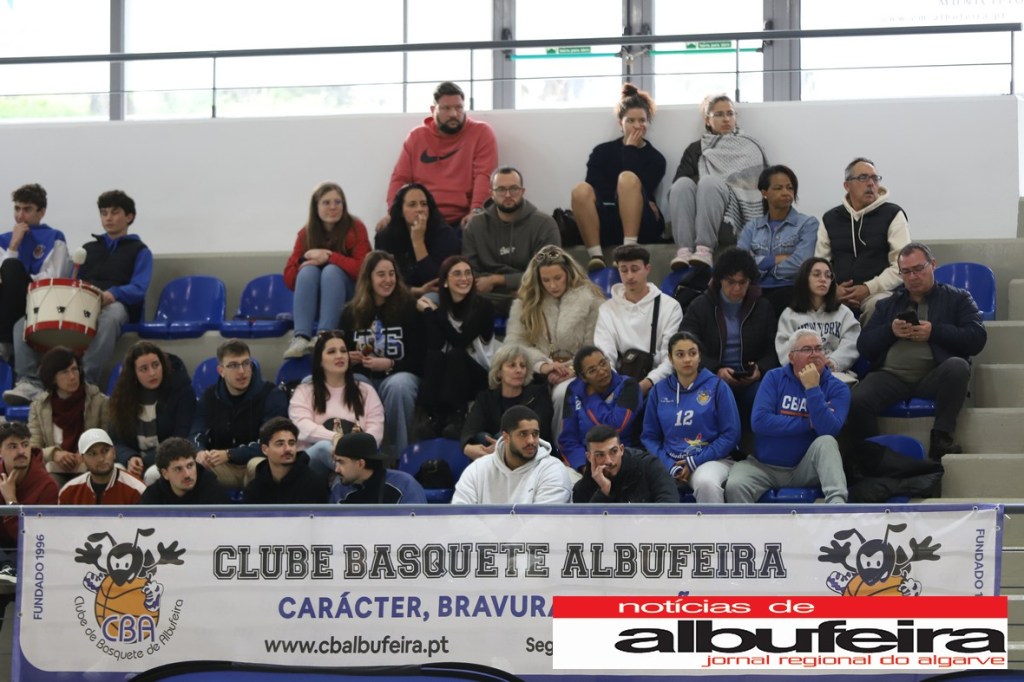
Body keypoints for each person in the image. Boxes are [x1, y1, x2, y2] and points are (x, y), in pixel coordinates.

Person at [6, 190, 152, 401]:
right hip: (84, 302)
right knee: (24, 322)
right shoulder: (88, 249)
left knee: (110, 318)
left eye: (114, 212)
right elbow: (73, 281)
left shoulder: (140, 251)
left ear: (129, 217)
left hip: (118, 304)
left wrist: (113, 294)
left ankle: (86, 382)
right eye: (104, 213)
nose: (108, 218)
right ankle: (29, 382)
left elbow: (139, 287)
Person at [849, 242, 987, 460]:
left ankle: (941, 437)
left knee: (958, 367)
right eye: (906, 272)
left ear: (933, 265)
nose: (912, 277)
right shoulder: (887, 304)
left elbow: (977, 339)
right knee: (856, 399)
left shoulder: (958, 298)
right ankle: (873, 454)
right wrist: (890, 331)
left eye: (918, 269)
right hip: (890, 376)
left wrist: (934, 332)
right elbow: (864, 346)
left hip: (933, 376)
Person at [724, 330, 850, 504]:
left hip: (806, 468)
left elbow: (828, 429)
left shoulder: (838, 388)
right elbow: (760, 422)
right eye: (807, 349)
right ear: (791, 357)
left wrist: (813, 388)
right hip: (764, 467)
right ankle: (748, 523)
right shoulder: (774, 378)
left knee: (826, 442)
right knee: (735, 485)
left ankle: (837, 507)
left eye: (819, 349)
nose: (814, 354)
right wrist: (809, 423)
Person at [504, 245, 605, 436]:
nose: (552, 285)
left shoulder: (590, 300)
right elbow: (514, 343)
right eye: (546, 280)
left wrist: (571, 369)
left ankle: (561, 447)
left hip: (579, 371)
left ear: (568, 273)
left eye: (558, 278)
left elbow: (593, 345)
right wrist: (543, 366)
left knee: (562, 393)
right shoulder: (525, 303)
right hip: (537, 372)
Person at [679, 247, 778, 433]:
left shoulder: (762, 307)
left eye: (742, 282)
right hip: (711, 380)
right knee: (712, 396)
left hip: (751, 382)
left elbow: (774, 349)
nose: (737, 288)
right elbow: (685, 347)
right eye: (731, 282)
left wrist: (760, 369)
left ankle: (758, 446)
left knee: (765, 396)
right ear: (719, 280)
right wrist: (716, 369)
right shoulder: (700, 306)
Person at [571, 84, 666, 272]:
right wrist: (613, 195)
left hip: (640, 223)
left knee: (627, 179)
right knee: (580, 190)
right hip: (607, 218)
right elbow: (594, 186)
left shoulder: (656, 158)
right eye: (631, 120)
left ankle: (628, 250)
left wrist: (630, 150)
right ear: (620, 123)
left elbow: (638, 191)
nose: (637, 126)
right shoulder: (602, 151)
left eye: (642, 120)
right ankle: (596, 256)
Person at [380, 81, 498, 229]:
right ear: (433, 110)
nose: (453, 114)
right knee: (384, 234)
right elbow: (400, 178)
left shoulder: (481, 133)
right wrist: (392, 213)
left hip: (462, 219)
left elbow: (484, 176)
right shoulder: (417, 137)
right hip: (422, 217)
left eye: (459, 108)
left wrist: (476, 211)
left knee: (472, 229)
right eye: (446, 108)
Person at [667, 94, 767, 269]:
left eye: (730, 113)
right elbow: (678, 187)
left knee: (709, 183)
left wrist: (716, 184)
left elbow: (760, 186)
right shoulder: (696, 149)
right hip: (696, 219)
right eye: (719, 114)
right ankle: (684, 251)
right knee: (682, 185)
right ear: (707, 120)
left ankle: (704, 249)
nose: (726, 119)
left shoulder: (750, 146)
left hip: (733, 220)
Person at [340, 251, 425, 457]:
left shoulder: (410, 308)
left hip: (399, 376)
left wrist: (390, 364)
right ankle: (359, 454)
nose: (388, 280)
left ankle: (397, 456)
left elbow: (420, 359)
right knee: (355, 384)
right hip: (365, 377)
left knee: (398, 386)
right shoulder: (350, 313)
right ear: (368, 278)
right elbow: (336, 355)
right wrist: (347, 359)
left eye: (391, 274)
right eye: (381, 274)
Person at [641, 332, 741, 503]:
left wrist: (694, 461)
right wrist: (669, 465)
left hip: (712, 460)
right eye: (680, 354)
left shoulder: (717, 386)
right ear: (670, 359)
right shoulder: (658, 391)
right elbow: (649, 437)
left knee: (706, 482)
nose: (687, 359)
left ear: (699, 357)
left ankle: (713, 523)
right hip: (670, 463)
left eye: (692, 353)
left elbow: (731, 434)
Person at [282, 181, 371, 358]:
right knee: (307, 271)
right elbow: (290, 281)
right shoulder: (306, 233)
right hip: (316, 302)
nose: (333, 207)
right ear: (316, 207)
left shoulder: (356, 228)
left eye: (338, 202)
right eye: (326, 202)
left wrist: (329, 257)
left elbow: (363, 270)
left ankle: (325, 335)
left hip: (350, 298)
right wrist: (304, 258)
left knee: (331, 271)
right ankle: (301, 337)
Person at [815, 157, 911, 322]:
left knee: (877, 306)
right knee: (807, 304)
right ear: (847, 185)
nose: (871, 183)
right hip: (837, 293)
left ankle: (868, 341)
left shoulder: (893, 214)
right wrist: (833, 290)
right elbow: (820, 264)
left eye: (875, 178)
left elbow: (902, 266)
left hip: (879, 292)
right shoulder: (830, 218)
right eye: (863, 178)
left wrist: (868, 288)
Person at [191, 339, 289, 489]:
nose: (242, 371)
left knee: (256, 465)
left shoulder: (271, 394)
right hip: (222, 466)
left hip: (259, 462)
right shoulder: (210, 396)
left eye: (246, 363)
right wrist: (200, 452)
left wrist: (230, 454)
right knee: (190, 469)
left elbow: (272, 442)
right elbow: (195, 432)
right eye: (233, 365)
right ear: (221, 371)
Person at [416, 256, 496, 439]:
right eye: (457, 274)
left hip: (479, 375)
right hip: (449, 378)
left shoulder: (483, 307)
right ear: (445, 282)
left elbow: (460, 340)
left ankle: (457, 416)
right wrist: (429, 314)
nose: (464, 278)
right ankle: (429, 416)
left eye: (468, 273)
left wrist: (433, 313)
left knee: (456, 354)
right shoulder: (442, 309)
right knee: (435, 356)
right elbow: (435, 344)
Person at [462, 167, 561, 314]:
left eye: (514, 189)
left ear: (522, 191)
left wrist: (497, 280)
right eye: (501, 190)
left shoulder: (545, 224)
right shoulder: (475, 226)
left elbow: (547, 273)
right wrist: (512, 285)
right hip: (488, 297)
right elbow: (470, 273)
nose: (508, 195)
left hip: (532, 295)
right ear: (491, 193)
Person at [288, 330, 385, 478]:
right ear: (320, 360)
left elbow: (375, 433)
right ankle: (353, 476)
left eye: (343, 351)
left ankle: (343, 482)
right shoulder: (304, 392)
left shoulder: (366, 391)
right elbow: (302, 428)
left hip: (357, 459)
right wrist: (336, 439)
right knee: (323, 448)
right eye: (331, 352)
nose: (339, 356)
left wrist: (349, 447)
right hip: (312, 464)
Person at [593, 245, 683, 397]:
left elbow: (671, 357)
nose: (629, 276)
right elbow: (604, 355)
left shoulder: (670, 307)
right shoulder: (607, 309)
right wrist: (618, 387)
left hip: (658, 383)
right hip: (618, 383)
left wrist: (647, 383)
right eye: (624, 270)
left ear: (647, 269)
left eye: (635, 269)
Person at [736, 164, 818, 317]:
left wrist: (763, 270)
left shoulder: (807, 224)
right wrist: (776, 259)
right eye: (778, 188)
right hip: (756, 290)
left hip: (790, 289)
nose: (786, 192)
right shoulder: (752, 227)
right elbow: (740, 262)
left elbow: (802, 264)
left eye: (790, 188)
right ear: (764, 193)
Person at [108, 341, 195, 484]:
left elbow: (181, 437)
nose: (152, 373)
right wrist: (130, 458)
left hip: (170, 458)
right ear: (134, 373)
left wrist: (143, 461)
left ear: (163, 365)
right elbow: (115, 440)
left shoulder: (181, 391)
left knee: (153, 474)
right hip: (134, 459)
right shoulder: (122, 397)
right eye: (144, 369)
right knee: (115, 471)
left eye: (156, 365)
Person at [0, 184, 69, 357]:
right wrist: (14, 245)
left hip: (39, 299)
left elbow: (54, 278)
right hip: (6, 298)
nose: (20, 216)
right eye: (17, 209)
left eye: (27, 209)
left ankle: (5, 343)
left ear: (41, 212)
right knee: (10, 268)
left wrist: (23, 276)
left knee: (12, 267)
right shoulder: (4, 240)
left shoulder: (55, 237)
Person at [452, 405, 572, 504]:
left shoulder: (552, 470)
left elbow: (543, 521)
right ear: (506, 437)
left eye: (535, 434)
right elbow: (459, 515)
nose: (531, 441)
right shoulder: (477, 469)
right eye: (523, 434)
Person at [775, 258, 861, 384]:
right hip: (800, 376)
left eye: (828, 276)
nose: (823, 279)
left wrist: (834, 361)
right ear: (805, 279)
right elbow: (784, 350)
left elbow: (852, 342)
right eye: (816, 275)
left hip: (835, 374)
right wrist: (806, 368)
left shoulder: (843, 313)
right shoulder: (790, 315)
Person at [461, 344, 554, 460]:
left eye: (523, 366)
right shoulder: (485, 398)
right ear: (499, 372)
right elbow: (470, 428)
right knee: (481, 438)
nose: (519, 370)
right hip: (490, 457)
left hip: (532, 455)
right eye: (512, 365)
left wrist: (502, 445)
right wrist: (467, 447)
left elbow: (539, 429)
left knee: (501, 436)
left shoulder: (538, 394)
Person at [28, 346, 108, 479]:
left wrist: (89, 452)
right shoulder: (39, 406)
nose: (72, 377)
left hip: (91, 469)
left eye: (75, 369)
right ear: (52, 377)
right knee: (50, 483)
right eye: (64, 372)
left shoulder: (99, 401)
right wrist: (54, 454)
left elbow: (108, 440)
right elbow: (33, 448)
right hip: (54, 470)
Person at [559, 346, 643, 472]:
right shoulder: (574, 389)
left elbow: (616, 427)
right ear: (583, 377)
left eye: (603, 363)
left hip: (623, 459)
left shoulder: (628, 386)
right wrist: (584, 467)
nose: (602, 371)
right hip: (587, 463)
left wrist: (591, 398)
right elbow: (568, 439)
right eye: (592, 370)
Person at [374, 182, 458, 296]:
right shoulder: (385, 237)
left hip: (435, 295)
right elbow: (382, 280)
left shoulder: (445, 234)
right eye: (412, 205)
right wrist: (415, 291)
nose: (420, 209)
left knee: (431, 298)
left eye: (424, 204)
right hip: (398, 294)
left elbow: (435, 282)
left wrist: (418, 242)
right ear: (401, 211)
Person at [572, 424, 677, 503]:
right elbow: (588, 524)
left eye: (613, 451)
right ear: (589, 457)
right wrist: (603, 492)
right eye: (600, 455)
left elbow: (670, 509)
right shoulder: (582, 490)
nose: (608, 461)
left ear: (621, 449)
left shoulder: (649, 466)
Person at [243, 417, 328, 504]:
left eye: (291, 443)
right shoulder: (254, 489)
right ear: (265, 449)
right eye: (280, 444)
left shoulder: (314, 484)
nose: (288, 449)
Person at [0, 421, 58, 548]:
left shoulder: (47, 486)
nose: (21, 451)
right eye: (13, 446)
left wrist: (10, 500)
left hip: (31, 555)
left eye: (25, 445)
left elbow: (34, 540)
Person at [330, 431, 426, 504]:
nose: (336, 469)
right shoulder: (339, 488)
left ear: (360, 464)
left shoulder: (404, 486)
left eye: (341, 462)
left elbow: (418, 522)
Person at [58, 428, 146, 505]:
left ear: (114, 452)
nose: (101, 459)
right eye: (92, 453)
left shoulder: (137, 490)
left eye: (105, 450)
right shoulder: (68, 491)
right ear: (82, 459)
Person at [140, 437, 231, 505]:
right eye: (178, 469)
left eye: (190, 466)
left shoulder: (213, 490)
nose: (187, 474)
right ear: (165, 473)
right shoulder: (153, 496)